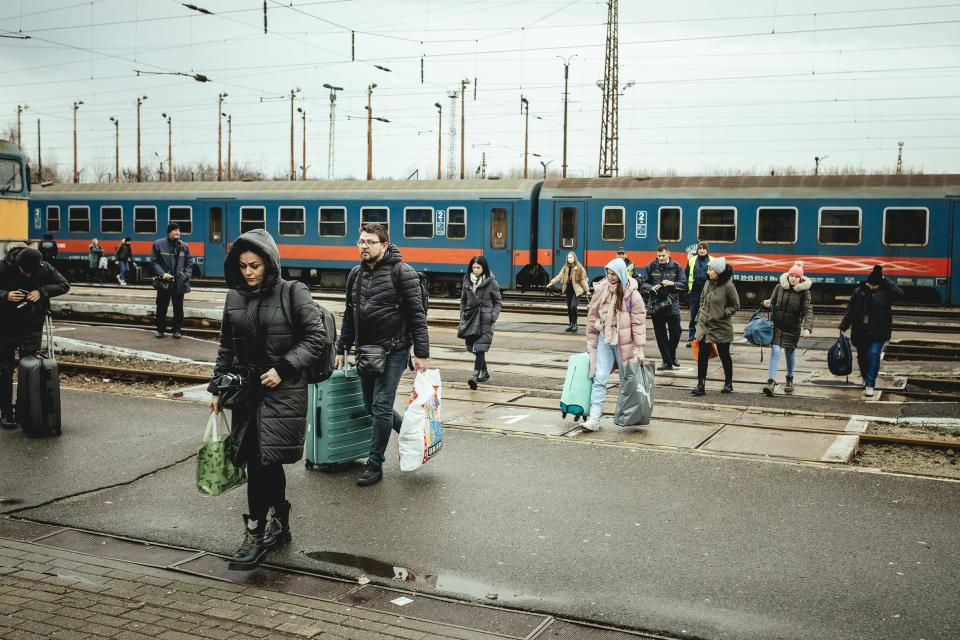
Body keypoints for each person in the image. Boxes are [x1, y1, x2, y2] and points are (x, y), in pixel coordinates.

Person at [208, 229, 327, 571]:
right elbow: (226, 347)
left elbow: (315, 337)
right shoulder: (234, 298)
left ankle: (255, 534)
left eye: (255, 265)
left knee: (260, 461)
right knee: (263, 460)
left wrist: (284, 368)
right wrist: (217, 387)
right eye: (243, 266)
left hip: (282, 390)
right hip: (247, 393)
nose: (249, 272)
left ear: (270, 263)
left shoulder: (294, 292)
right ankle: (280, 522)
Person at [335, 224, 430, 487]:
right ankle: (414, 435)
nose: (363, 246)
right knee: (372, 407)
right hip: (366, 351)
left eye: (369, 242)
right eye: (360, 241)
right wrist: (342, 348)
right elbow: (350, 314)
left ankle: (374, 463)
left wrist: (421, 352)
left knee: (381, 406)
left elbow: (417, 317)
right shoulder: (356, 274)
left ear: (384, 245)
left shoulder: (403, 273)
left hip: (394, 350)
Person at [0, 246, 71, 429]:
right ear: (18, 265)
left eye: (32, 271)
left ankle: (26, 410)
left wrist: (41, 291)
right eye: (25, 271)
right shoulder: (3, 267)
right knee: (4, 370)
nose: (29, 275)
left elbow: (64, 285)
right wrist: (5, 295)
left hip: (32, 324)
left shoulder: (44, 267)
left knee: (28, 369)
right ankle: (6, 412)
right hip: (6, 325)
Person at [583, 258, 647, 431]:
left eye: (613, 274)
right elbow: (592, 315)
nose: (610, 277)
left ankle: (630, 415)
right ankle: (594, 418)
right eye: (608, 273)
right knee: (599, 377)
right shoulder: (602, 288)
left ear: (621, 274)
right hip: (605, 339)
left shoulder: (632, 294)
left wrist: (639, 348)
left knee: (627, 380)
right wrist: (591, 341)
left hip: (624, 343)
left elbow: (639, 322)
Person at [839, 265, 902, 398]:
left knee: (873, 355)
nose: (871, 287)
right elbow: (850, 310)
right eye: (870, 284)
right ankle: (865, 377)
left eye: (875, 285)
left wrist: (884, 278)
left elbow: (900, 293)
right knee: (862, 357)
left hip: (879, 332)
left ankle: (870, 384)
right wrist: (843, 327)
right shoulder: (859, 291)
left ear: (880, 284)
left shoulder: (887, 293)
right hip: (861, 331)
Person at [762, 261, 813, 397]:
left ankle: (789, 379)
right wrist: (766, 303)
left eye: (796, 277)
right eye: (792, 276)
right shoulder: (779, 287)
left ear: (800, 279)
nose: (793, 279)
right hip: (777, 326)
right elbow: (771, 302)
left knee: (789, 354)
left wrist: (807, 328)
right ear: (788, 276)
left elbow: (808, 311)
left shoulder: (804, 293)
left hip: (792, 328)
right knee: (775, 352)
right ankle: (771, 383)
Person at [691, 256, 739, 396]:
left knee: (724, 355)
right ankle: (701, 385)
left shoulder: (729, 286)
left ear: (718, 272)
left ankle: (728, 383)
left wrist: (723, 313)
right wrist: (700, 314)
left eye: (710, 269)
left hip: (721, 326)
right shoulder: (707, 283)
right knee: (702, 355)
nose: (708, 271)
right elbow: (702, 300)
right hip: (705, 325)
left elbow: (736, 305)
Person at [639, 245, 687, 370]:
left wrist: (672, 283)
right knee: (660, 335)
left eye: (663, 256)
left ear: (669, 254)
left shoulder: (676, 266)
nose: (660, 258)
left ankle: (671, 355)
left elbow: (684, 285)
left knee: (677, 332)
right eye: (659, 256)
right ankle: (667, 362)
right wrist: (650, 288)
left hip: (672, 305)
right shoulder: (650, 266)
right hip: (656, 305)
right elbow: (643, 284)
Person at [460, 255, 502, 389]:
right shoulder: (467, 280)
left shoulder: (491, 282)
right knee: (473, 347)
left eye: (478, 267)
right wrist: (462, 314)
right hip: (470, 319)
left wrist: (492, 316)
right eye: (474, 267)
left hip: (485, 320)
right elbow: (463, 300)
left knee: (479, 347)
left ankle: (474, 376)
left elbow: (498, 302)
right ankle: (484, 371)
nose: (476, 270)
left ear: (484, 268)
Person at [151, 224, 194, 339]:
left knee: (178, 309)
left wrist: (186, 275)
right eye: (175, 231)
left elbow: (189, 262)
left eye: (179, 231)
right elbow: (154, 262)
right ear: (169, 232)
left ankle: (177, 330)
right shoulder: (158, 244)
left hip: (179, 283)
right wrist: (163, 274)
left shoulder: (184, 246)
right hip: (164, 282)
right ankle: (160, 330)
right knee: (161, 307)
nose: (178, 233)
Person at [547, 252, 589, 332]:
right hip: (568, 290)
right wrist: (551, 283)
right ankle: (570, 324)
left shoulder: (579, 267)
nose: (570, 259)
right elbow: (559, 277)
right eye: (568, 257)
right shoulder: (565, 268)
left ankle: (575, 324)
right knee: (569, 308)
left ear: (574, 258)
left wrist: (587, 290)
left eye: (571, 257)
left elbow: (583, 280)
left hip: (577, 290)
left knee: (573, 306)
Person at [685, 242, 710, 345]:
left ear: (707, 250)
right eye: (700, 248)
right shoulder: (692, 260)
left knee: (707, 316)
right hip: (694, 292)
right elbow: (686, 274)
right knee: (694, 315)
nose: (702, 250)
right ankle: (692, 339)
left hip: (708, 293)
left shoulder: (712, 260)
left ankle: (706, 339)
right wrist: (687, 289)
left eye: (704, 248)